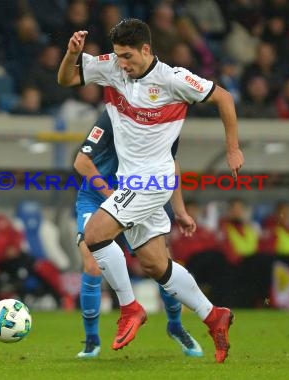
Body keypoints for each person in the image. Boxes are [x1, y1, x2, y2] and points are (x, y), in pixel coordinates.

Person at [58, 19, 244, 363]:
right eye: (118, 56)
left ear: (146, 49)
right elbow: (67, 78)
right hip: (132, 182)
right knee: (156, 265)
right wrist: (72, 55)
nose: (123, 64)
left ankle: (130, 308)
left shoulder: (174, 80)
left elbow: (224, 97)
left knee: (95, 234)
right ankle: (213, 314)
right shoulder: (112, 68)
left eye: (128, 56)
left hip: (154, 180)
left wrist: (232, 148)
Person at [73, 111, 202, 358]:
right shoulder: (111, 117)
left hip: (140, 197)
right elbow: (81, 162)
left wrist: (180, 211)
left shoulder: (161, 120)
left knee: (161, 267)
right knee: (91, 264)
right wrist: (112, 198)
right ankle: (91, 340)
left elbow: (171, 165)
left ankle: (175, 326)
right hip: (97, 198)